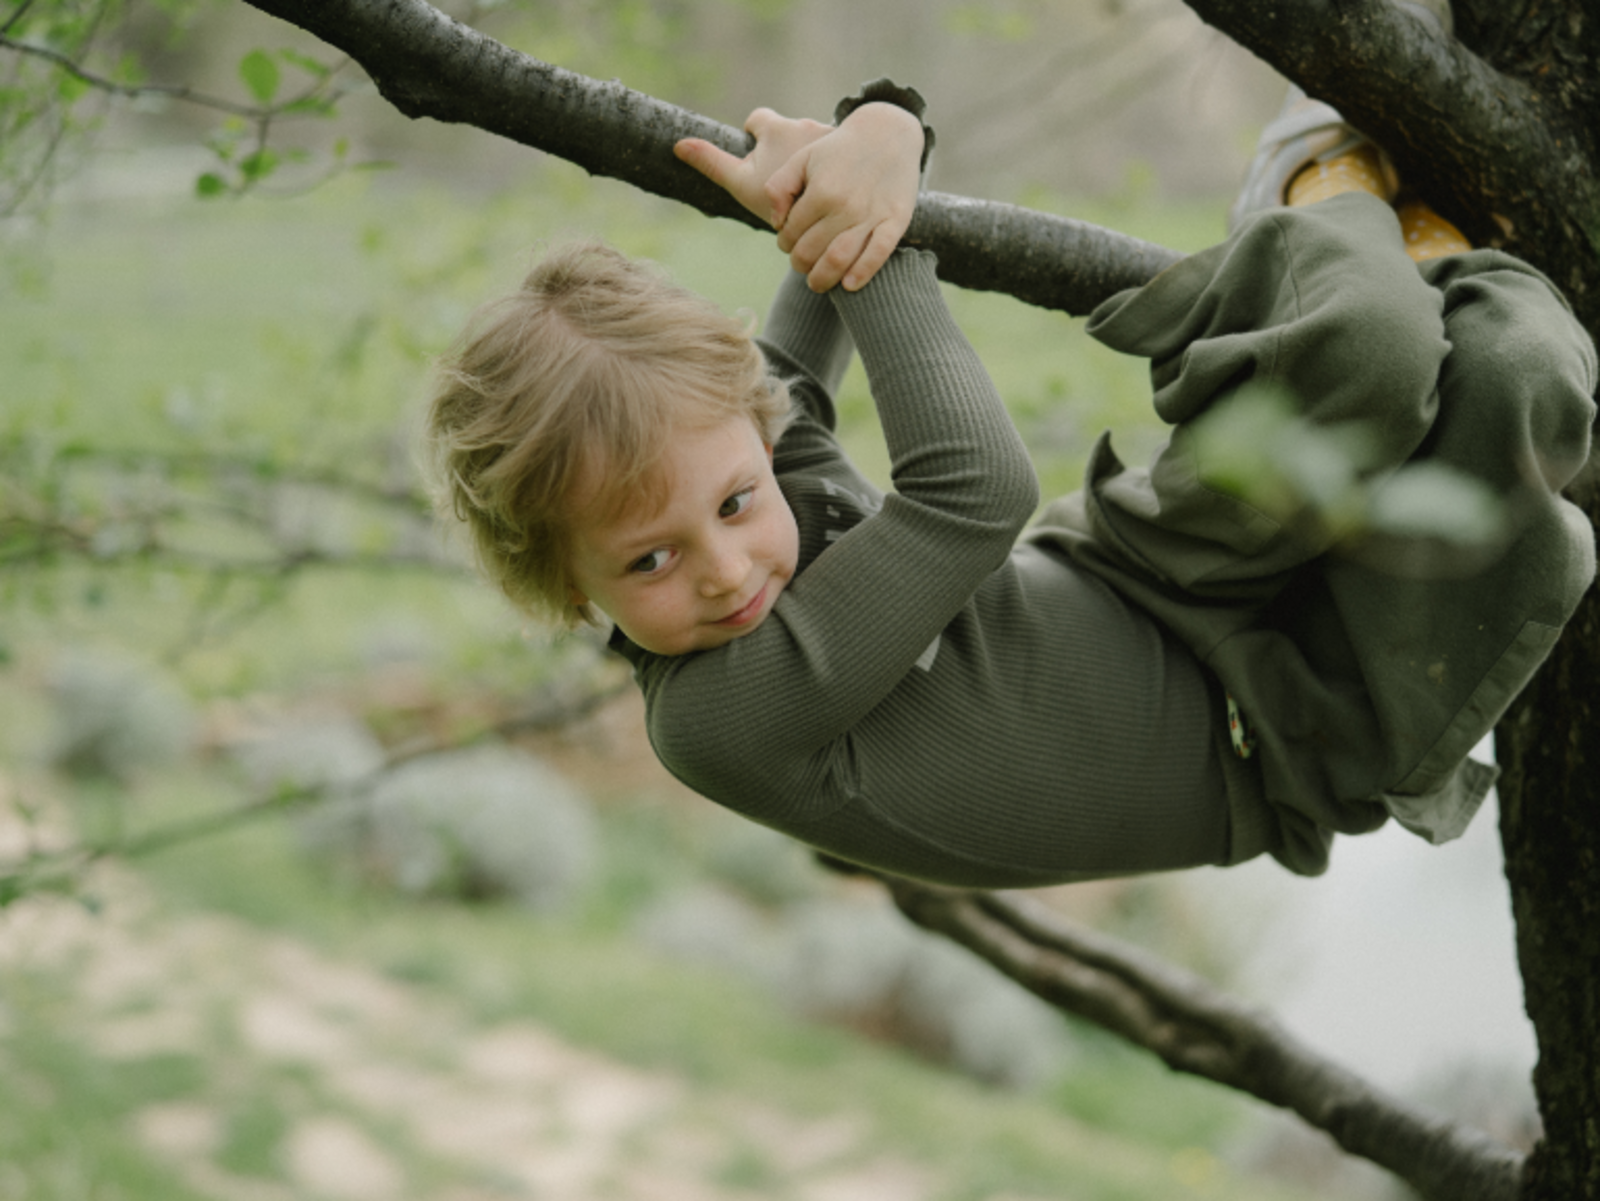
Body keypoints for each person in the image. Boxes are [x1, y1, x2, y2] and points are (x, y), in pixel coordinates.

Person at [426, 65, 1596, 887]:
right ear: (570, 589)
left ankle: (1325, 187)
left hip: (1143, 572)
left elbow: (839, 252)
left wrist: (878, 132)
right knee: (1525, 365)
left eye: (735, 500)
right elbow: (974, 495)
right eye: (648, 558)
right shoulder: (719, 719)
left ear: (747, 421)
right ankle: (1395, 239)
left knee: (1374, 350)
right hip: (1287, 731)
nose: (729, 567)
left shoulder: (729, 435)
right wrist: (865, 216)